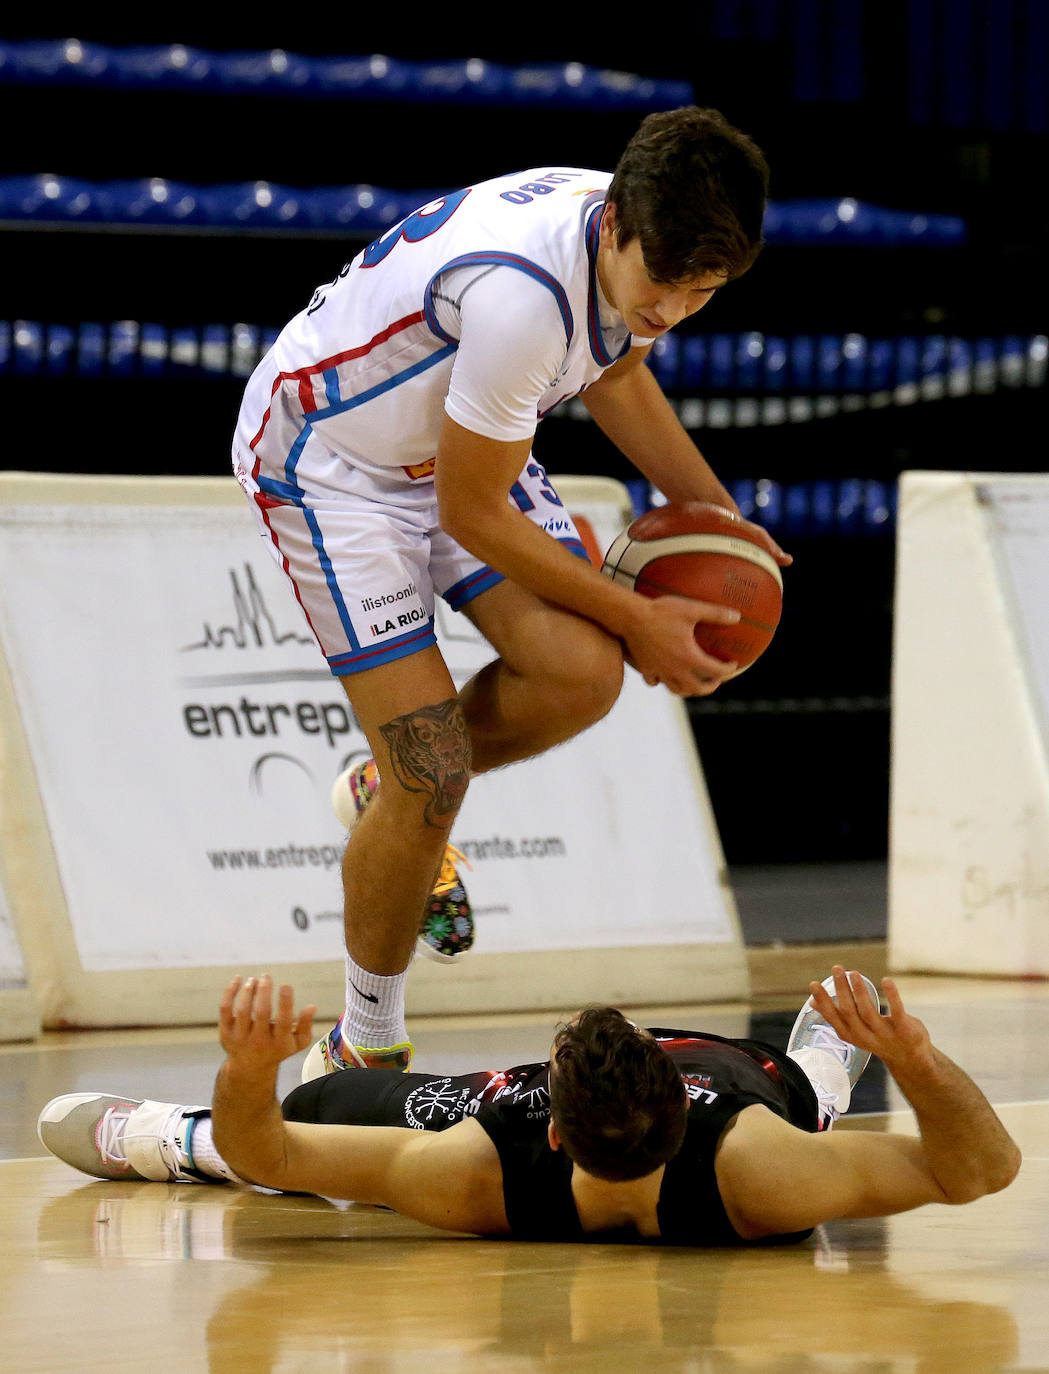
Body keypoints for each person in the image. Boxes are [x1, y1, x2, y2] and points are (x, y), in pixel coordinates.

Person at [229, 105, 792, 1074]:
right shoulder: (523, 297)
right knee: (434, 767)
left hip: (449, 450)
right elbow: (472, 512)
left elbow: (613, 376)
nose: (671, 310)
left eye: (701, 293)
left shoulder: (635, 232)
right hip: (331, 462)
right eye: (662, 283)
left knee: (582, 674)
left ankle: (382, 790)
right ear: (614, 226)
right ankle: (361, 1046)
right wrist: (641, 617)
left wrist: (716, 515)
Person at [37, 968, 1020, 1245]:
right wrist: (919, 1060)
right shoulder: (763, 1166)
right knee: (817, 1070)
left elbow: (278, 1156)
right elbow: (982, 1170)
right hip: (753, 1080)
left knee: (316, 1097)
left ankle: (174, 1142)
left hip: (488, 1112)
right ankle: (834, 1059)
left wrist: (244, 1084)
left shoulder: (482, 1170)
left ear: (547, 1119)